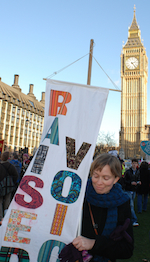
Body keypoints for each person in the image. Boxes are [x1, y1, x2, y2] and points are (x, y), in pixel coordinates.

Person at [71, 154, 134, 262]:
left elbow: (127, 249)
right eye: (95, 176)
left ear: (116, 179)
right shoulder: (79, 195)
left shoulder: (122, 203)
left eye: (105, 178)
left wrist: (94, 244)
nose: (99, 182)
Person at [0, 151, 18, 222]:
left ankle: (0, 217)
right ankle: (6, 217)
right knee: (7, 201)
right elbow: (16, 176)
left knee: (0, 201)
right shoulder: (11, 166)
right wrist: (11, 182)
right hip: (9, 187)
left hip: (0, 186)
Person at [124, 158, 141, 226]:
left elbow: (138, 178)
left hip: (134, 190)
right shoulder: (128, 171)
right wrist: (131, 183)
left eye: (135, 163)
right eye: (133, 163)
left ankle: (128, 218)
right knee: (131, 205)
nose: (134, 165)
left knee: (130, 205)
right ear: (131, 163)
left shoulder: (138, 171)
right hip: (128, 189)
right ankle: (134, 220)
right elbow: (125, 181)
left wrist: (138, 182)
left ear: (137, 164)